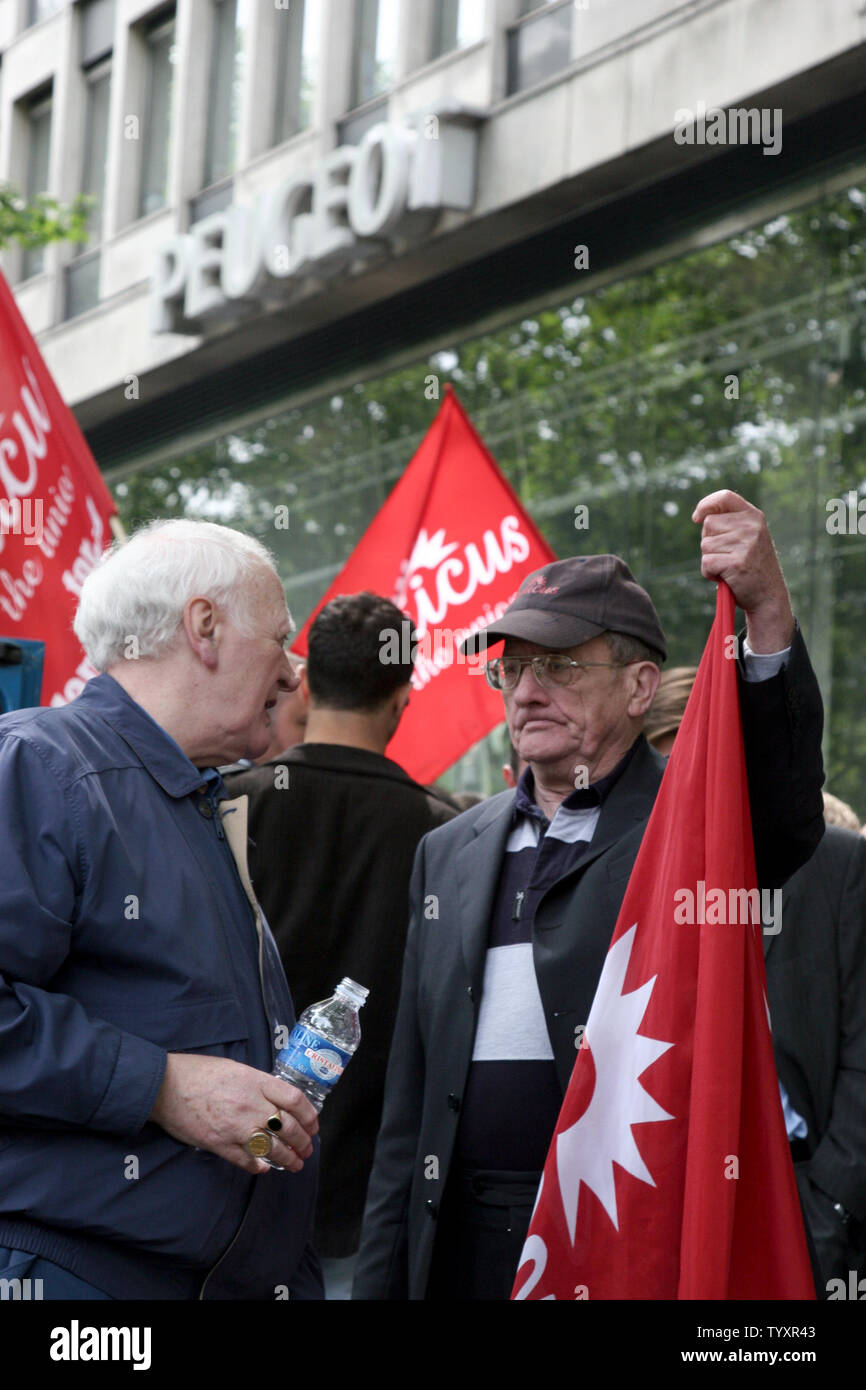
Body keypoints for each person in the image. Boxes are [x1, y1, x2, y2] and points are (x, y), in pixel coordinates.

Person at [353, 490, 826, 1300]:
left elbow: (784, 814)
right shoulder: (448, 849)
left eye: (561, 665)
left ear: (642, 687)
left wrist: (768, 614)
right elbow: (411, 1101)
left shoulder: (699, 829)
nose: (528, 691)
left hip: (622, 1235)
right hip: (461, 1241)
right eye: (512, 667)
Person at [0, 519, 323, 1300]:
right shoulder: (42, 766)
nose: (291, 671)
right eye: (280, 637)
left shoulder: (186, 796)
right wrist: (164, 1087)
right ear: (204, 628)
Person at [225, 592, 456, 1298]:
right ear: (402, 699)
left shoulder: (230, 804)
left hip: (231, 1178)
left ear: (301, 681)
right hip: (371, 1204)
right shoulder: (447, 833)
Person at [646, 664, 866, 1295]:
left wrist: (822, 1211)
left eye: (716, 761)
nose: (695, 787)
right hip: (667, 1197)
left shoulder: (838, 867)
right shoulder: (639, 877)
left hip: (804, 1203)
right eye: (672, 770)